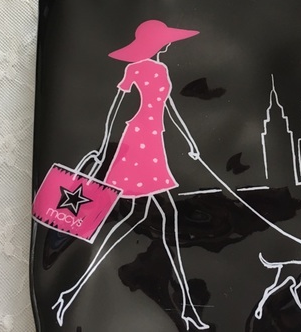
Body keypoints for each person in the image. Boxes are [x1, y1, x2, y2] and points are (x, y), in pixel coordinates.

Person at [52, 20, 208, 330]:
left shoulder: (162, 71)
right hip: (136, 143)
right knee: (166, 216)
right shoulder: (135, 69)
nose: (169, 44)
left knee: (149, 218)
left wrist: (190, 141)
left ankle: (68, 294)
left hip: (154, 142)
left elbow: (169, 108)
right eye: (165, 39)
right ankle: (187, 309)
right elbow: (117, 108)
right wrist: (103, 148)